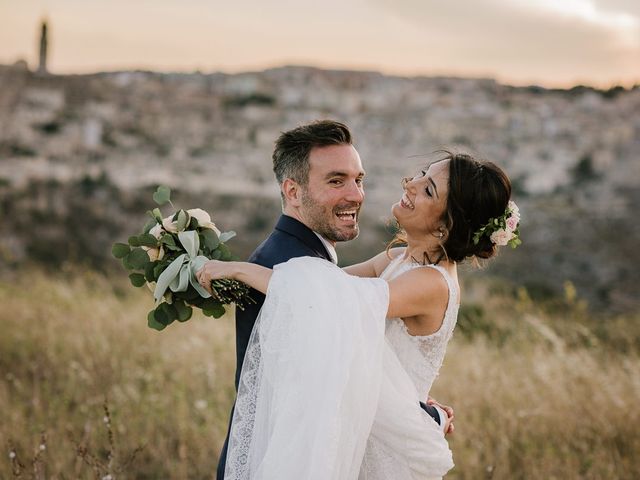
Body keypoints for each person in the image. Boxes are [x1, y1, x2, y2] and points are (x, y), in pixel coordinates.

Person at [198, 150, 519, 479]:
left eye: (428, 190)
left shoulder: (432, 283)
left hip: (384, 449)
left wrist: (239, 269)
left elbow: (328, 298)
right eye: (423, 173)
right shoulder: (397, 259)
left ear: (445, 225)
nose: (411, 184)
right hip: (367, 422)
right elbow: (321, 287)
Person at [214, 120, 451, 480]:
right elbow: (330, 395)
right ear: (293, 192)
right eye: (336, 181)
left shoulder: (301, 266)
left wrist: (407, 395)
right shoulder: (290, 270)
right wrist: (425, 417)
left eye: (359, 180)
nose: (356, 195)